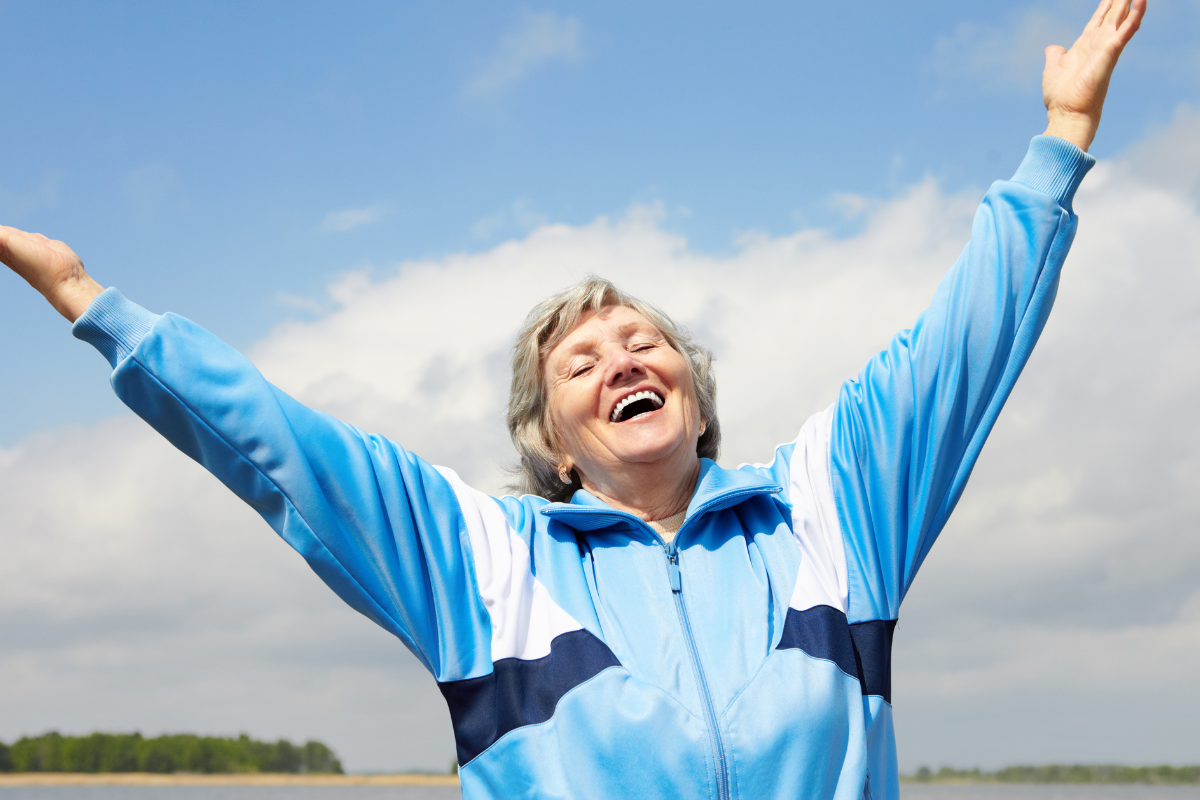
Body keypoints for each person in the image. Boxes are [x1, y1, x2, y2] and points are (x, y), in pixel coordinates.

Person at [0, 2, 1144, 798]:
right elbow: (281, 442)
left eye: (645, 342)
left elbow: (962, 349)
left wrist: (1061, 140)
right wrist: (88, 298)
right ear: (552, 444)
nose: (622, 360)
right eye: (581, 363)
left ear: (697, 399)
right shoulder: (476, 559)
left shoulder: (834, 508)